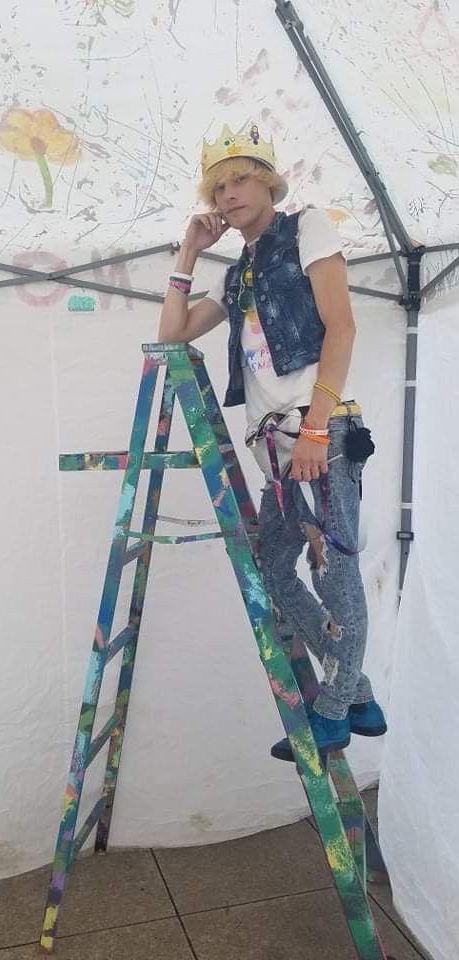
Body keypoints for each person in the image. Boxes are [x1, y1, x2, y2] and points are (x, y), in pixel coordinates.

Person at [158, 122, 386, 755]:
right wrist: (188, 254)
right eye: (218, 187)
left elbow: (341, 329)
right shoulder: (239, 272)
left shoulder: (308, 228)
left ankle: (335, 711)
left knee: (334, 570)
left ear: (267, 182)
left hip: (320, 430)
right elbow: (172, 334)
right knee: (273, 571)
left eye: (240, 180)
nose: (228, 194)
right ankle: (359, 693)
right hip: (274, 449)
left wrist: (315, 428)